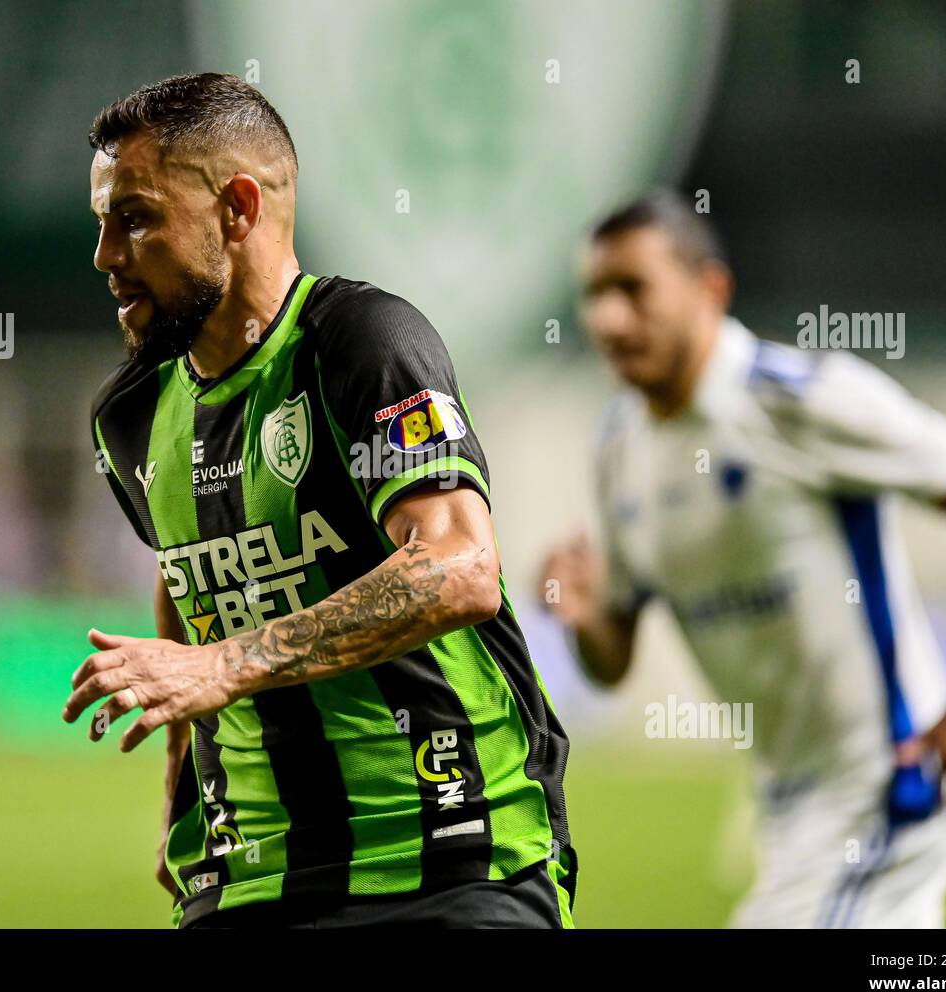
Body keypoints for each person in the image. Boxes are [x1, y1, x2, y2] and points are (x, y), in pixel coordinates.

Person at [65, 73, 576, 930]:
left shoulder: (361, 343)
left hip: (452, 860)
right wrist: (175, 803)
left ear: (236, 208)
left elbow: (460, 568)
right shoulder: (131, 412)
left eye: (136, 218)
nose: (106, 255)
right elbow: (185, 583)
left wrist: (217, 667)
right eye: (103, 224)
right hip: (248, 880)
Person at [542, 191, 946, 928]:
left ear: (710, 290)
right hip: (786, 809)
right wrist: (583, 617)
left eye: (633, 289)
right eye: (593, 296)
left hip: (887, 787)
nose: (608, 320)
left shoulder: (799, 400)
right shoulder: (620, 445)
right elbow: (612, 661)